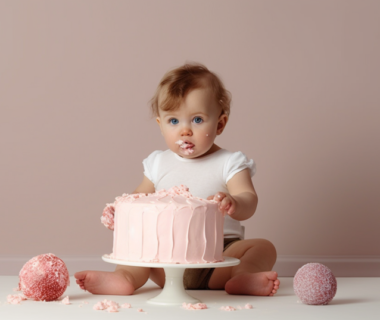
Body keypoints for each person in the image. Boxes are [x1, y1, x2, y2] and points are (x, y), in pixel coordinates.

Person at [75, 62, 280, 296]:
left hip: (220, 258)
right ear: (161, 126)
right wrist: (119, 210)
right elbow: (139, 197)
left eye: (197, 120)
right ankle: (124, 278)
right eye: (174, 121)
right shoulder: (158, 163)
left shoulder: (229, 162)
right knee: (140, 251)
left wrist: (234, 202)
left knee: (263, 247)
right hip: (166, 259)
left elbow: (248, 199)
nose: (185, 130)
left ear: (220, 124)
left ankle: (242, 278)